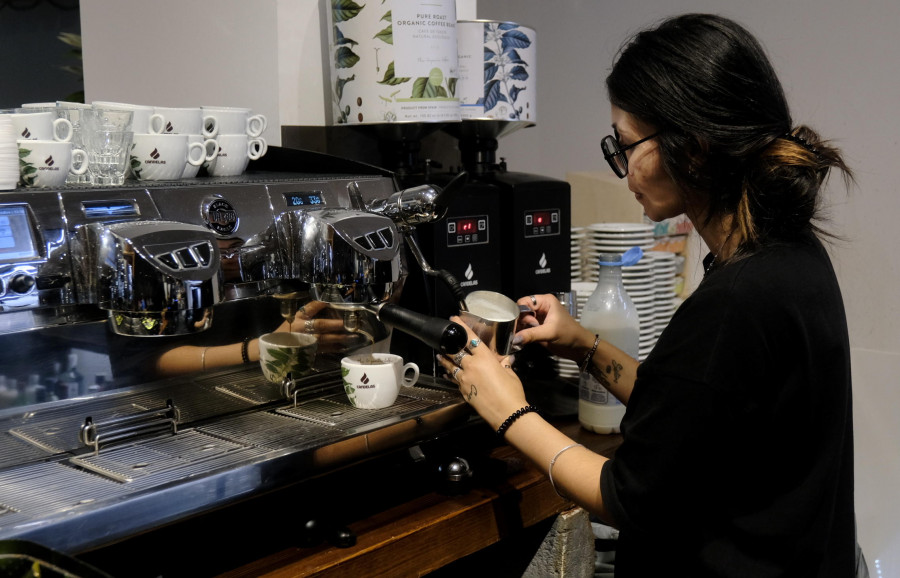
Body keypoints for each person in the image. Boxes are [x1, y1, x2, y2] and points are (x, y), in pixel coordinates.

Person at [438, 13, 862, 577]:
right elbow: (694, 411)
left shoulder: (739, 299)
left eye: (627, 144)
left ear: (695, 145)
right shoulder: (789, 257)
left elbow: (627, 495)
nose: (622, 168)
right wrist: (584, 344)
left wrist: (505, 406)